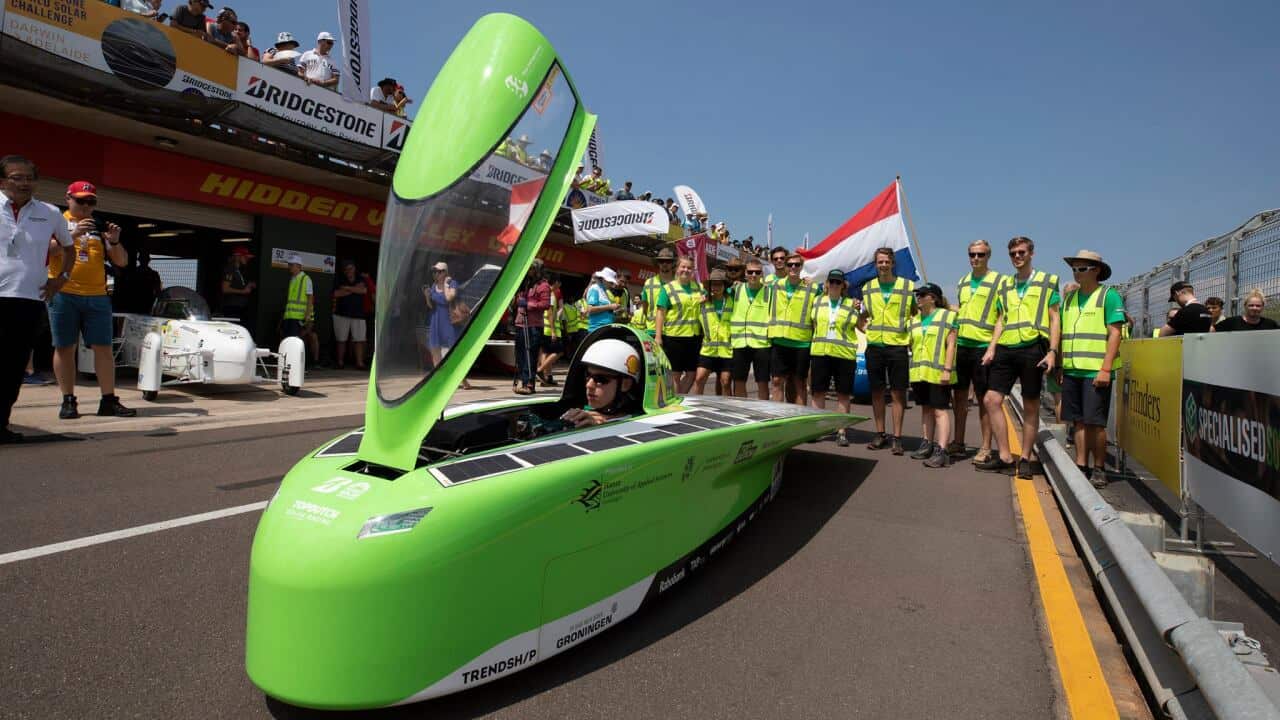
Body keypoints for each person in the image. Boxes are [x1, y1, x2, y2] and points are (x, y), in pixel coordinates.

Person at [1, 156, 79, 442]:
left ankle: (1, 425)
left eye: (28, 178)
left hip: (28, 301)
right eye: (15, 177)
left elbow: (69, 250)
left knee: (12, 367)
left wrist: (61, 280)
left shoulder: (49, 213)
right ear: (2, 180)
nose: (23, 183)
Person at [46, 181, 136, 419]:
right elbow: (45, 251)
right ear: (68, 198)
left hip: (97, 296)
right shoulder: (56, 222)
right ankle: (68, 400)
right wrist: (72, 234)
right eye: (81, 200)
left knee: (104, 349)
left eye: (91, 201)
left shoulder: (98, 225)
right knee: (65, 347)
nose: (86, 206)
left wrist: (114, 241)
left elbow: (122, 261)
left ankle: (108, 400)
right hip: (64, 293)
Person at [978, 236, 1061, 477]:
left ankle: (1024, 457)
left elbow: (1055, 318)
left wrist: (1053, 351)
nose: (1017, 257)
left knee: (1031, 406)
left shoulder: (1047, 281)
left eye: (1021, 252)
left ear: (1031, 254)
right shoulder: (1005, 285)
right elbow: (1000, 319)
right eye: (1013, 253)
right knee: (991, 400)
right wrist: (992, 347)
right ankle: (1005, 455)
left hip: (1033, 347)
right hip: (1006, 347)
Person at [1059, 250, 1125, 488]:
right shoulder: (1069, 299)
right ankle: (1081, 464)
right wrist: (1060, 365)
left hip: (1095, 371)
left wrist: (1105, 368)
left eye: (1082, 268)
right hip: (1072, 369)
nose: (1076, 273)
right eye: (1074, 269)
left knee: (1095, 423)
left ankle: (1099, 468)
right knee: (1077, 422)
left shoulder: (1109, 296)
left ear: (1096, 270)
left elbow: (1115, 333)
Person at [857, 247, 916, 454]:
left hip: (898, 346)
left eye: (886, 262)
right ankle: (880, 433)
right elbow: (861, 316)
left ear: (893, 263)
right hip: (875, 347)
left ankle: (897, 437)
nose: (883, 265)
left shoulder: (907, 286)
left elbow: (915, 314)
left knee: (898, 393)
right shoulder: (868, 288)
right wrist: (865, 329)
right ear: (876, 264)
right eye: (879, 262)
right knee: (877, 392)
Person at [951, 240, 1003, 463]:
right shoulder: (962, 282)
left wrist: (993, 346)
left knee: (983, 400)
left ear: (988, 256)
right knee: (959, 397)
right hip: (962, 346)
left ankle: (985, 447)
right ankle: (959, 442)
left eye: (980, 255)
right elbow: (962, 311)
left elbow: (1002, 316)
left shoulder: (999, 281)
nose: (975, 259)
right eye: (972, 254)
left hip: (983, 347)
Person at [906, 284, 958, 467]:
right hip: (920, 373)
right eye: (917, 295)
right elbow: (912, 345)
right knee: (926, 409)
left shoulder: (947, 317)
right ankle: (926, 443)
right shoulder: (913, 320)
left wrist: (947, 369)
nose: (918, 297)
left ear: (933, 298)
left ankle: (942, 451)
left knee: (940, 411)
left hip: (939, 373)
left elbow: (951, 345)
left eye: (922, 295)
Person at [809, 270, 860, 446]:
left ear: (843, 285)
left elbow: (862, 325)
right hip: (820, 353)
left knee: (843, 394)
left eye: (838, 282)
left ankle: (841, 431)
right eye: (832, 282)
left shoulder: (852, 304)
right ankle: (817, 429)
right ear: (827, 284)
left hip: (844, 355)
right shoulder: (816, 302)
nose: (834, 285)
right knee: (818, 392)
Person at [769, 252, 819, 406]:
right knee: (777, 381)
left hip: (801, 343)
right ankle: (777, 418)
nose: (793, 267)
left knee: (799, 383)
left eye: (796, 264)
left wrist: (854, 303)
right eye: (789, 264)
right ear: (785, 266)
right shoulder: (775, 285)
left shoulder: (812, 287)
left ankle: (799, 422)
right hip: (780, 340)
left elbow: (830, 298)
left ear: (801, 267)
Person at [559, 339, 642, 428]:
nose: (589, 385)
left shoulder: (639, 424)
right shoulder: (578, 414)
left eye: (601, 379)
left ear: (625, 384)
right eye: (587, 375)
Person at [654, 256, 704, 393]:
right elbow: (660, 313)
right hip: (674, 337)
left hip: (694, 337)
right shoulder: (668, 288)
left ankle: (679, 397)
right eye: (683, 267)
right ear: (677, 268)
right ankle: (675, 402)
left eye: (689, 268)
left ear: (693, 270)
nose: (686, 270)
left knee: (691, 374)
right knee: (675, 375)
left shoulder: (699, 288)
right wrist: (658, 337)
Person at [730, 257, 772, 399]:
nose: (754, 275)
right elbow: (715, 293)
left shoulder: (769, 292)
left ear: (762, 274)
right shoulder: (735, 289)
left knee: (762, 383)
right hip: (739, 343)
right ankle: (742, 412)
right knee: (739, 381)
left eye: (757, 272)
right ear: (745, 273)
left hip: (761, 344)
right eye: (750, 272)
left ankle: (764, 415)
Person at [694, 269, 733, 395]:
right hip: (708, 350)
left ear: (724, 286)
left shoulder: (732, 302)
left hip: (726, 351)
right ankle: (697, 406)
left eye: (719, 284)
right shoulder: (702, 302)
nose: (716, 287)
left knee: (725, 382)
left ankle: (728, 409)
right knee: (699, 379)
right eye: (713, 284)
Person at [512, 262, 549, 395]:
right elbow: (517, 300)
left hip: (534, 325)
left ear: (537, 270)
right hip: (520, 323)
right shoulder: (525, 284)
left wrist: (528, 304)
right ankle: (522, 381)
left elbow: (545, 304)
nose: (529, 271)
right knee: (520, 354)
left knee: (530, 355)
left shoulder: (543, 286)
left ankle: (530, 384)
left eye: (532, 269)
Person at [422, 261, 458, 368]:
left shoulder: (452, 283)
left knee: (452, 352)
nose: (435, 274)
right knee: (435, 350)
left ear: (444, 272)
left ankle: (460, 379)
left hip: (448, 322)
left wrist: (446, 285)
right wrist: (427, 296)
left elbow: (448, 299)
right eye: (434, 271)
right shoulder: (434, 286)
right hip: (435, 320)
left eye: (438, 271)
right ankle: (437, 376)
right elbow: (430, 306)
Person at [332, 261, 368, 370]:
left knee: (359, 339)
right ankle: (340, 362)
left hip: (358, 314)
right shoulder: (340, 279)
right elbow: (336, 294)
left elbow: (364, 291)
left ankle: (359, 363)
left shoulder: (360, 279)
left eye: (351, 268)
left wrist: (347, 288)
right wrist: (355, 289)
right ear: (344, 271)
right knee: (341, 339)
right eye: (347, 269)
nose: (349, 271)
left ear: (354, 269)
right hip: (341, 314)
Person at [633, 246, 676, 335]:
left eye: (668, 261)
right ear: (658, 263)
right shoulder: (649, 283)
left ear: (673, 263)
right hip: (652, 330)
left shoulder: (679, 283)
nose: (664, 264)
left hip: (673, 331)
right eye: (661, 261)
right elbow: (645, 308)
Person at [221, 245, 256, 334]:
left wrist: (249, 285)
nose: (247, 259)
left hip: (241, 307)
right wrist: (243, 291)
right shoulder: (230, 269)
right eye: (245, 257)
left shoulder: (239, 270)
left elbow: (238, 285)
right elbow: (225, 288)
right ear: (237, 256)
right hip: (232, 308)